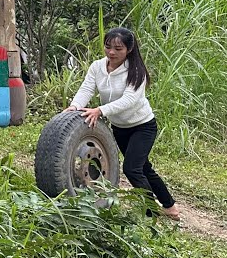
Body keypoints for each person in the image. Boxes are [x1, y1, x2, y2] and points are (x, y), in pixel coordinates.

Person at [68, 27, 179, 219]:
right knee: (144, 168)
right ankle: (169, 206)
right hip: (120, 128)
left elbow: (129, 101)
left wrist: (100, 110)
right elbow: (87, 88)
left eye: (118, 48)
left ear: (129, 49)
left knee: (132, 168)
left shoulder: (137, 72)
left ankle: (150, 212)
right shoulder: (97, 67)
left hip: (143, 126)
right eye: (108, 46)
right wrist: (75, 106)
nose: (111, 52)